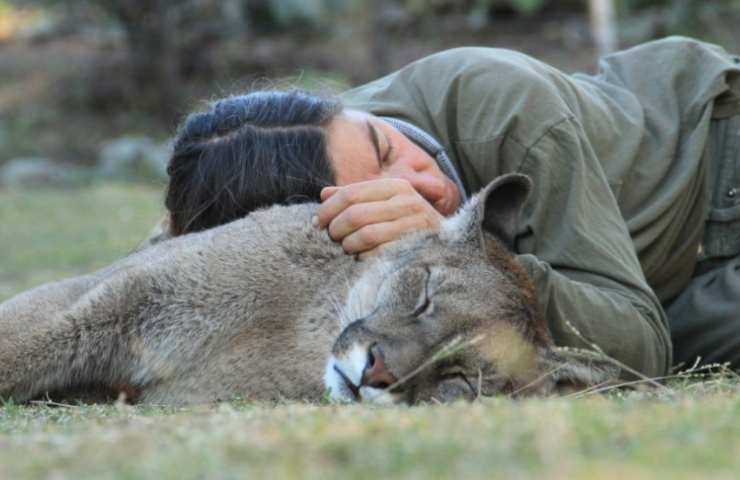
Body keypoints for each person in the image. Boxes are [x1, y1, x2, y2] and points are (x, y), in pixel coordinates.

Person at [162, 36, 740, 378]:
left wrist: (460, 253)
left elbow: (640, 343)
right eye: (383, 201)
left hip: (715, 160)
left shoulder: (505, 105)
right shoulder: (285, 185)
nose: (424, 185)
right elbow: (178, 250)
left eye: (387, 146)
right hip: (673, 279)